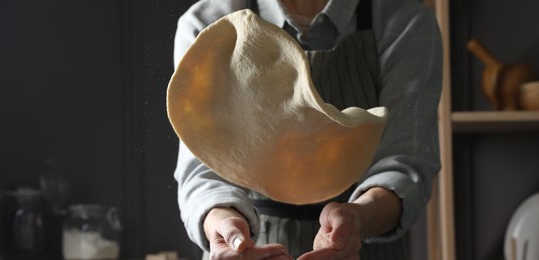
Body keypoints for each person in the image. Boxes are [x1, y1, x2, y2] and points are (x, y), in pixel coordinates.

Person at [172, 0, 442, 259]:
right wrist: (224, 226)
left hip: (361, 247)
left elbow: (403, 163)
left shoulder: (404, 22)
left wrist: (356, 219)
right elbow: (203, 171)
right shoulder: (207, 21)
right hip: (244, 251)